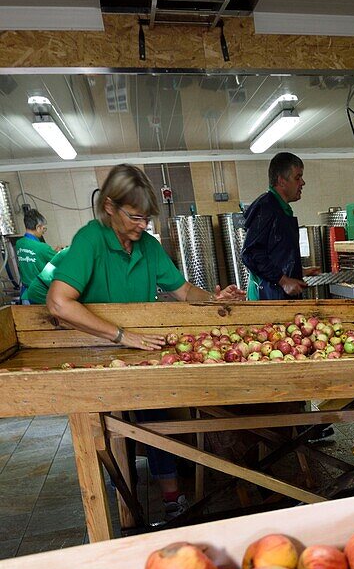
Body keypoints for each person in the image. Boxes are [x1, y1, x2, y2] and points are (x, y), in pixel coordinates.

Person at [46, 163, 238, 519]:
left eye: (146, 218)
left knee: (154, 415)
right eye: (135, 217)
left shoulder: (147, 246)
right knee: (110, 431)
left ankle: (170, 497)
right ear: (109, 208)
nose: (142, 225)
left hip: (141, 351)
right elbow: (58, 303)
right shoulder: (90, 240)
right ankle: (124, 502)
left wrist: (215, 301)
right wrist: (121, 335)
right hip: (98, 351)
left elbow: (184, 292)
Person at [242, 152, 308, 301]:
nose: (302, 183)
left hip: (279, 294)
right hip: (268, 295)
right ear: (281, 181)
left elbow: (275, 253)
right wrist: (283, 281)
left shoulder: (281, 209)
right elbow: (251, 253)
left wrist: (299, 271)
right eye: (297, 177)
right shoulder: (266, 208)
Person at [14, 209, 58, 302]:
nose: (43, 231)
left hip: (25, 295)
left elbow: (34, 256)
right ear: (38, 227)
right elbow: (60, 261)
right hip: (40, 295)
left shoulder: (19, 244)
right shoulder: (42, 248)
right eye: (43, 228)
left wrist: (51, 251)